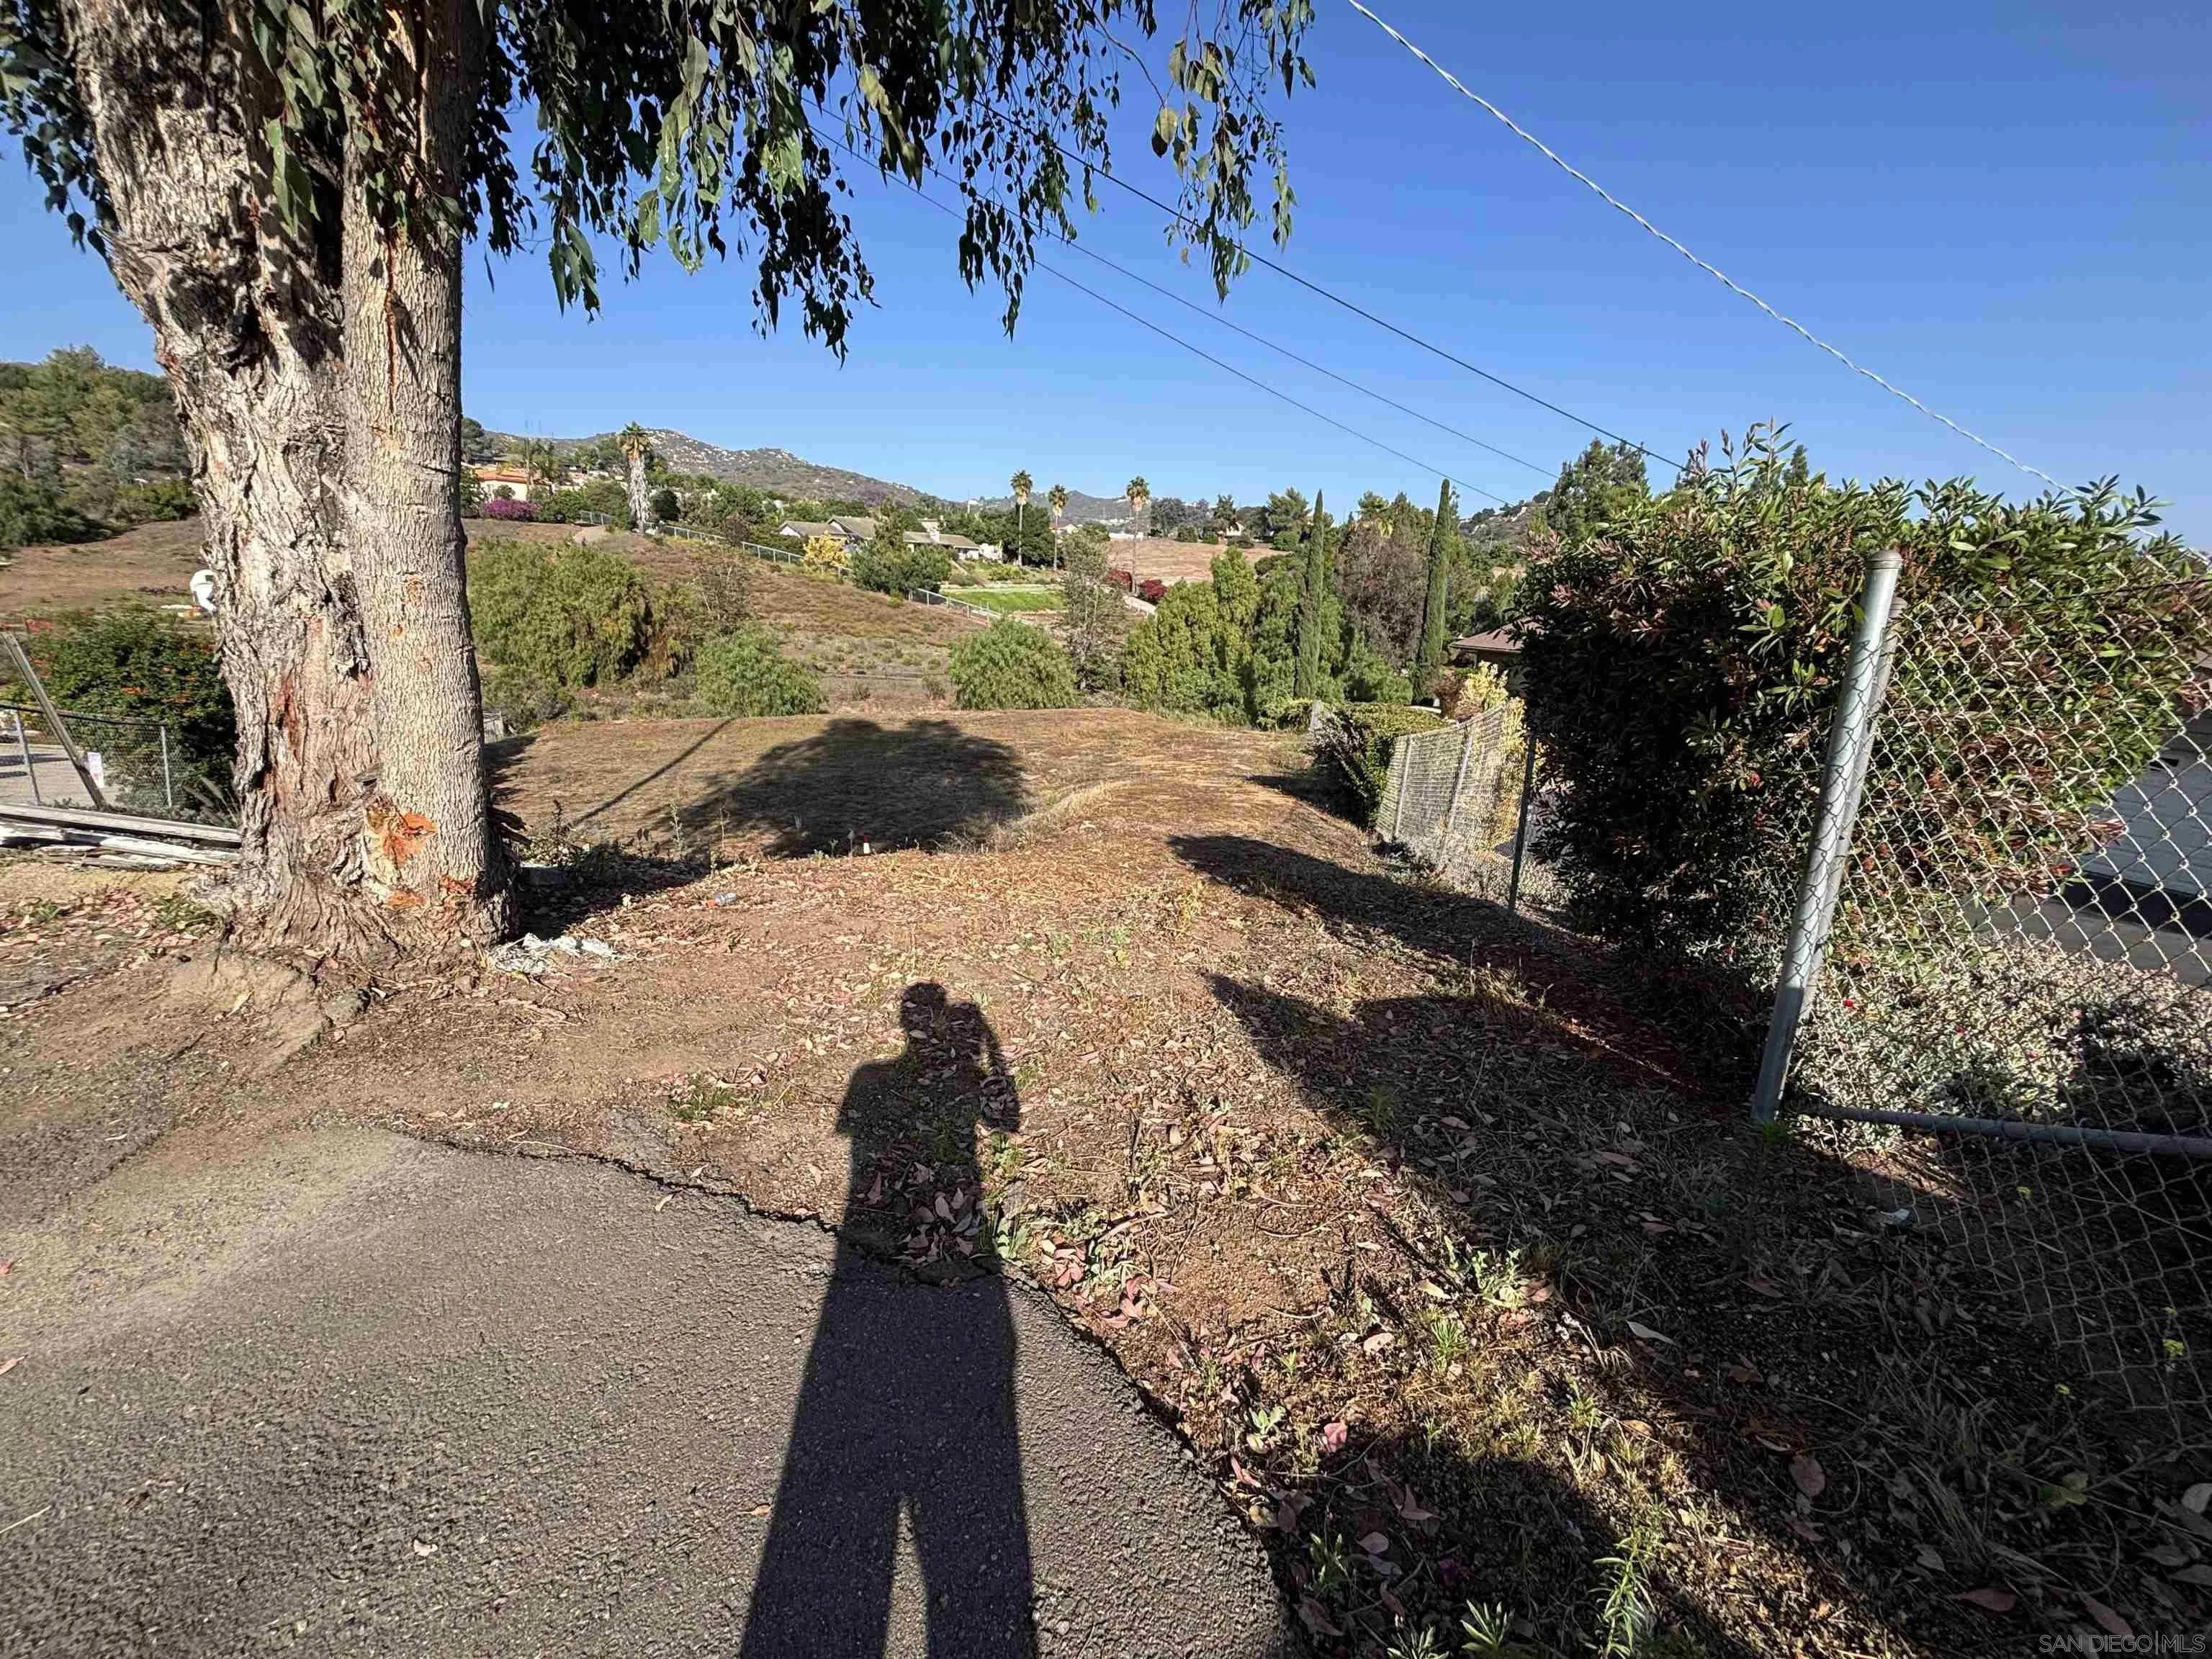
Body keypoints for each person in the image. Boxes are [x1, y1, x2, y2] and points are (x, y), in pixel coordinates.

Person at [740, 983, 1035, 1657]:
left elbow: (1005, 1121)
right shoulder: (883, 1077)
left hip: (879, 1257)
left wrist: (990, 1056)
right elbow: (1008, 1118)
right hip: (922, 1256)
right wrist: (992, 1056)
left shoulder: (872, 1078)